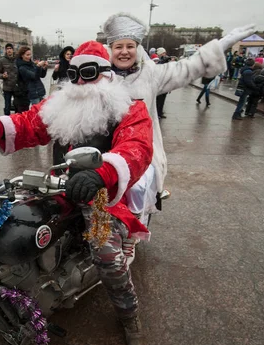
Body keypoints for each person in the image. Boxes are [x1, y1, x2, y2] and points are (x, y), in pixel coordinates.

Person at [0, 40, 153, 345]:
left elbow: (137, 148)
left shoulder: (129, 107)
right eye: (74, 73)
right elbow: (28, 123)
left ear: (105, 73)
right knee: (1, 214)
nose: (80, 81)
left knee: (106, 252)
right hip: (58, 183)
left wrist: (102, 173)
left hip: (102, 193)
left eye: (88, 73)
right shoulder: (60, 103)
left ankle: (128, 314)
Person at [101, 12, 253, 252]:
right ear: (109, 49)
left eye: (130, 46)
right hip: (105, 147)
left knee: (137, 190)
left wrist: (222, 44)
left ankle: (131, 235)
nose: (124, 52)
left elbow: (187, 68)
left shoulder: (150, 74)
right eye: (118, 46)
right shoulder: (99, 75)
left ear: (138, 48)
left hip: (141, 150)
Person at [50, 45, 75, 169]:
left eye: (71, 53)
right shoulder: (61, 65)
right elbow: (54, 78)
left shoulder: (75, 65)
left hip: (74, 94)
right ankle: (59, 166)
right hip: (61, 93)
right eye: (67, 54)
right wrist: (55, 70)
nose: (69, 55)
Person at [0, 43, 18, 115]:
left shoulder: (17, 59)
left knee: (17, 105)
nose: (9, 50)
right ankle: (7, 121)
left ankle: (17, 121)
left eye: (10, 48)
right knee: (7, 106)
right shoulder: (2, 61)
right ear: (5, 50)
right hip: (7, 87)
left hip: (17, 87)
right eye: (7, 49)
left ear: (13, 50)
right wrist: (2, 75)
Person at [155, 47, 170, 119]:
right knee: (158, 101)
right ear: (160, 54)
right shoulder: (157, 61)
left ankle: (160, 113)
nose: (165, 54)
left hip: (165, 84)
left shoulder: (166, 61)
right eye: (164, 53)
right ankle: (157, 113)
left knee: (162, 100)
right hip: (159, 85)